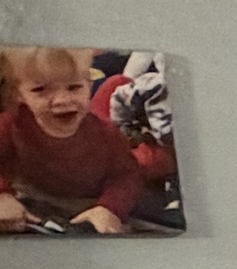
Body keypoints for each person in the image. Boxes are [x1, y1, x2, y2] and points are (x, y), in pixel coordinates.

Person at [0, 46, 146, 233]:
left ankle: (114, 87)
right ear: (18, 94)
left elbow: (128, 176)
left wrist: (109, 208)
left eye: (74, 87)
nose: (62, 100)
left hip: (87, 203)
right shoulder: (11, 123)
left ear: (89, 85)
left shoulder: (106, 134)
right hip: (31, 196)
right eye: (40, 90)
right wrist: (2, 195)